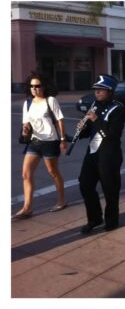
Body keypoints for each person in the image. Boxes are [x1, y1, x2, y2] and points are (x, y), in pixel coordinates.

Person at [14, 72, 68, 219]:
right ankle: (27, 207)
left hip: (50, 141)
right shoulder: (28, 103)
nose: (34, 89)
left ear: (43, 87)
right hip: (34, 142)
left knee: (53, 172)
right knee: (26, 174)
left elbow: (59, 120)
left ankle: (62, 201)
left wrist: (63, 140)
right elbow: (26, 123)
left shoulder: (50, 101)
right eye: (32, 86)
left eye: (37, 86)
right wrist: (25, 130)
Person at [78, 74, 125, 234]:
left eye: (101, 90)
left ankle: (111, 220)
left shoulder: (118, 109)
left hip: (109, 155)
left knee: (110, 189)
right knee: (85, 185)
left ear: (110, 91)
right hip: (92, 153)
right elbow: (91, 132)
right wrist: (82, 129)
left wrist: (96, 120)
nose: (97, 92)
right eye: (96, 90)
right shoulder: (94, 106)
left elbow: (112, 135)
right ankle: (94, 218)